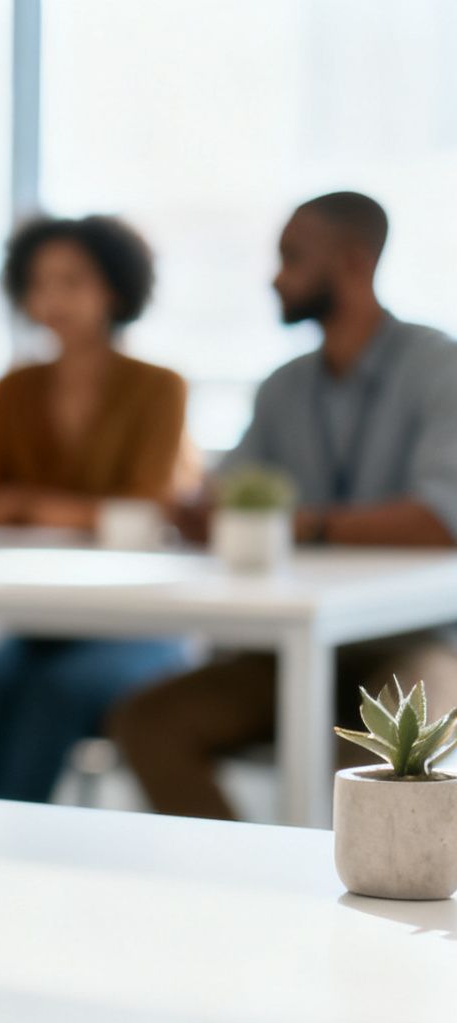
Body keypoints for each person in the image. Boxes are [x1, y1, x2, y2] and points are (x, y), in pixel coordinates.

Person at [111, 192, 457, 820]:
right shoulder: (285, 387)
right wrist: (196, 510)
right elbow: (227, 497)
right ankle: (242, 889)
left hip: (415, 639)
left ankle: (364, 899)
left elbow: (442, 519)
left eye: (291, 257)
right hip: (291, 646)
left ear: (353, 261)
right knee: (147, 721)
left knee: (397, 751)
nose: (275, 276)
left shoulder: (441, 368)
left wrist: (302, 525)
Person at [0, 215, 193, 803]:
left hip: (135, 622)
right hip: (39, 617)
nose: (52, 299)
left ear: (114, 288)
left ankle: (11, 856)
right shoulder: (16, 388)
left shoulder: (158, 387)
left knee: (51, 695)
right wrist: (82, 512)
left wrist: (25, 504)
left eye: (72, 281)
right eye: (39, 283)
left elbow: (147, 508)